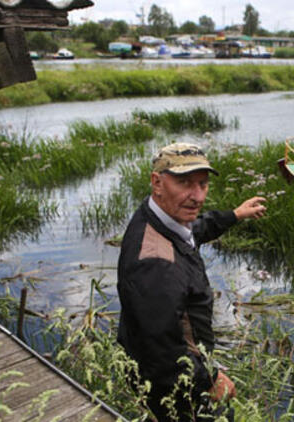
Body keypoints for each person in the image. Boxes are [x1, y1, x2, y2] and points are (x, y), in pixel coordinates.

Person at [117, 142, 266, 421]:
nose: (197, 196)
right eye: (184, 183)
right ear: (157, 182)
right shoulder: (155, 264)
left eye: (203, 184)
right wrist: (209, 380)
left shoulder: (159, 217)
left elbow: (193, 231)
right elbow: (162, 347)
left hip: (176, 371)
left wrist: (234, 215)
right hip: (174, 385)